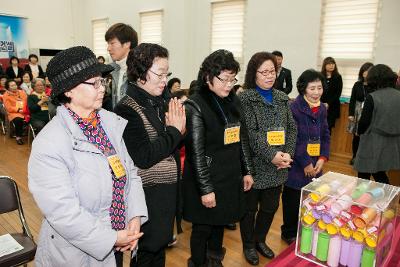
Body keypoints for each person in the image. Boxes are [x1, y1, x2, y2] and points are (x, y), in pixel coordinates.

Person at [28, 46, 148, 267]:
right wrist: (110, 238)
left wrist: (134, 218)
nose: (102, 88)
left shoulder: (110, 124)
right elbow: (64, 212)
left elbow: (129, 173)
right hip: (76, 253)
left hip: (119, 238)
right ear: (69, 90)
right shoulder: (49, 143)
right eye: (94, 83)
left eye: (102, 81)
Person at [114, 43, 185, 267]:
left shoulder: (161, 101)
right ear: (140, 73)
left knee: (158, 249)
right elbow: (143, 156)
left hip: (166, 191)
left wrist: (181, 128)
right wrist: (175, 131)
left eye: (167, 73)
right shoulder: (127, 108)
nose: (165, 80)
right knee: (146, 252)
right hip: (146, 196)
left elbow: (173, 145)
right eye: (160, 74)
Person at [183, 49, 254, 267]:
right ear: (208, 78)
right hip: (206, 176)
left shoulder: (233, 100)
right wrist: (206, 189)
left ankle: (215, 258)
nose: (229, 84)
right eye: (224, 79)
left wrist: (247, 170)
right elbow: (195, 153)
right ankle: (197, 262)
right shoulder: (195, 105)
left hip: (229, 175)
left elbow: (241, 138)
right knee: (203, 226)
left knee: (221, 221)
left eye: (233, 79)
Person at [238, 52, 297, 265]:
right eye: (264, 72)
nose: (269, 76)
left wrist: (287, 154)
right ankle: (248, 245)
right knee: (249, 209)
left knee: (270, 208)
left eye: (272, 71)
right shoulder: (245, 98)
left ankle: (260, 240)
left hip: (279, 165)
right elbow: (249, 134)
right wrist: (272, 155)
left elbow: (291, 128)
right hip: (254, 164)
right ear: (254, 74)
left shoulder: (282, 98)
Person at [281, 69, 330, 244]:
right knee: (293, 200)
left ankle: (305, 227)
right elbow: (294, 139)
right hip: (296, 164)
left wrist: (323, 158)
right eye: (312, 89)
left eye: (319, 88)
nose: (317, 92)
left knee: (311, 198)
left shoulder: (322, 108)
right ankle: (288, 232)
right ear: (303, 89)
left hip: (316, 161)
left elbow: (325, 134)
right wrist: (306, 163)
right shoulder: (294, 108)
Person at [354, 64, 400, 184]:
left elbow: (364, 122)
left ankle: (361, 201)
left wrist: (358, 132)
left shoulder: (373, 97)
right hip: (392, 143)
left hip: (372, 141)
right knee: (380, 173)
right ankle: (387, 200)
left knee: (363, 174)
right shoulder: (398, 95)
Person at [105, 23, 138, 109]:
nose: (108, 48)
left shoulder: (140, 71)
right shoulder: (111, 69)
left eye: (112, 43)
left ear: (127, 44)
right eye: (108, 44)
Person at [348, 62, 374, 164]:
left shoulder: (374, 86)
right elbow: (352, 99)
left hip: (369, 112)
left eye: (369, 71)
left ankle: (364, 158)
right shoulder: (357, 84)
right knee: (356, 136)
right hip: (357, 112)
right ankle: (355, 157)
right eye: (364, 70)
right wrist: (350, 114)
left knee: (367, 136)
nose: (366, 73)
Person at [320, 57, 343, 133]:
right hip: (319, 105)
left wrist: (328, 103)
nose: (331, 65)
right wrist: (321, 103)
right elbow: (317, 91)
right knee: (318, 128)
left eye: (333, 64)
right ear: (325, 65)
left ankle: (325, 145)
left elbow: (337, 94)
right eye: (329, 64)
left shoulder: (338, 77)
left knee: (327, 129)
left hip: (332, 107)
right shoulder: (320, 76)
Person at [2, 79, 27, 144]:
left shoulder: (22, 92)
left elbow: (26, 102)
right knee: (18, 120)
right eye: (12, 86)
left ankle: (27, 131)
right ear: (8, 87)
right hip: (14, 113)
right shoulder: (6, 95)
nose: (14, 87)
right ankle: (18, 137)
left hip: (24, 110)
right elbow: (8, 107)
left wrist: (23, 109)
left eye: (15, 85)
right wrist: (18, 109)